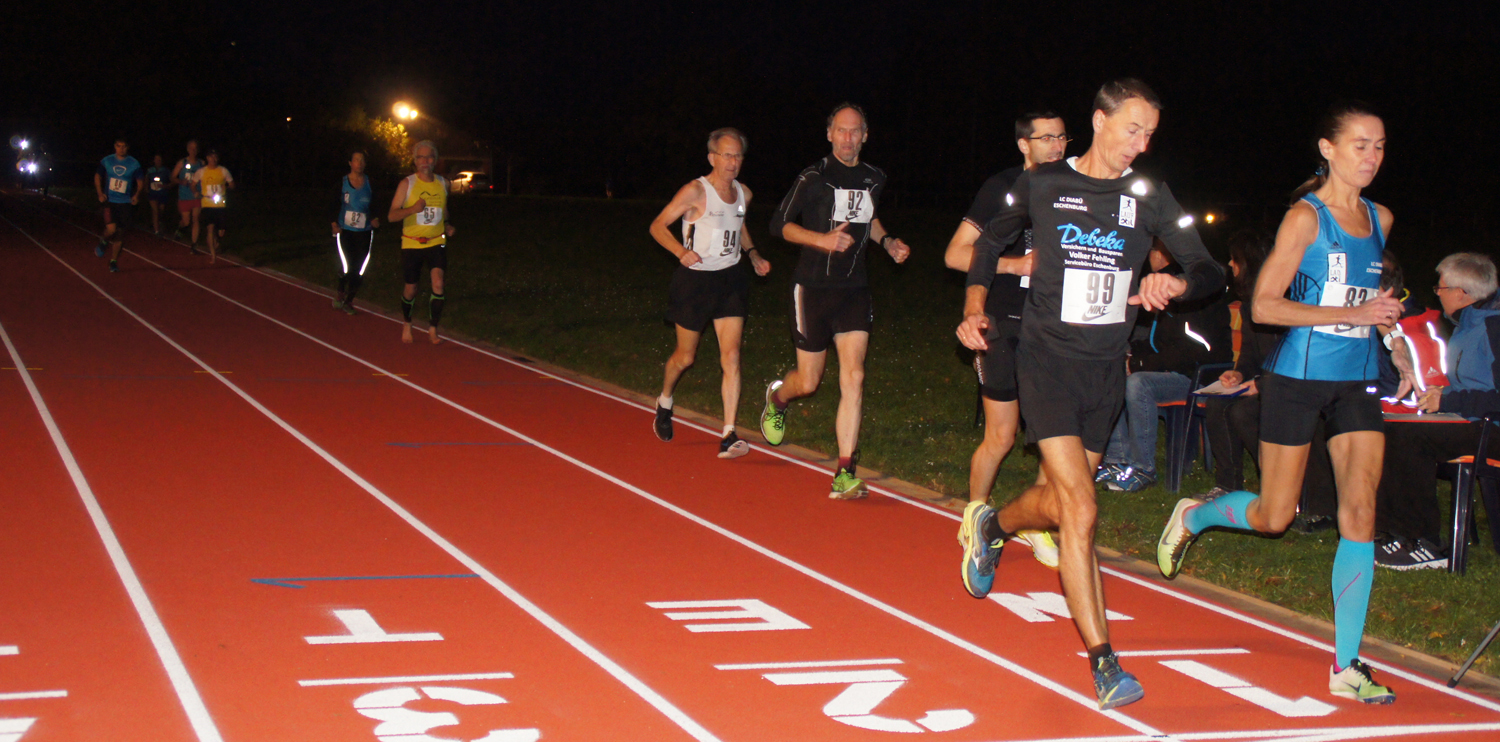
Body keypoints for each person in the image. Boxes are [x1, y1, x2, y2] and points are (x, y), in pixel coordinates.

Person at [956, 79, 1224, 709]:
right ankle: (1105, 664)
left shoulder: (1148, 193)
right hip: (1045, 362)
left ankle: (994, 525)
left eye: (1150, 134)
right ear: (1099, 120)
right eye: (1132, 129)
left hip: (1105, 373)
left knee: (1058, 503)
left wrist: (1176, 286)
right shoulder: (1044, 183)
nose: (1141, 144)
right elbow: (988, 243)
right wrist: (973, 307)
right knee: (1081, 509)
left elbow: (1208, 268)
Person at [1157, 101, 1411, 705]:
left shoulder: (1380, 217)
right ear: (1328, 149)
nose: (1372, 157)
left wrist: (1395, 343)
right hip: (1297, 378)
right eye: (1360, 145)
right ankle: (1195, 516)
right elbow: (1265, 305)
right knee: (1275, 516)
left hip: (1355, 382)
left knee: (1360, 512)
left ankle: (1347, 664)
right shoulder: (1305, 218)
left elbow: (1374, 300)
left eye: (1379, 146)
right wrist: (1352, 313)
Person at [760, 103, 911, 499]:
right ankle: (778, 398)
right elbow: (778, 224)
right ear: (829, 134)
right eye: (841, 131)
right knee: (808, 381)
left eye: (855, 131)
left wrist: (887, 241)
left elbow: (868, 219)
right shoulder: (813, 176)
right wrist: (820, 240)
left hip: (853, 289)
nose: (848, 138)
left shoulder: (875, 177)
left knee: (854, 376)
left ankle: (845, 472)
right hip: (811, 289)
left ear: (865, 135)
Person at [944, 110, 1070, 568]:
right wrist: (1016, 265)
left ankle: (1034, 522)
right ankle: (975, 515)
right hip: (1002, 323)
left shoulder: (1075, 189)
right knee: (1001, 435)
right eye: (1046, 138)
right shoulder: (1002, 187)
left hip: (1052, 328)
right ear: (1024, 144)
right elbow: (955, 255)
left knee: (1054, 436)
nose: (1057, 146)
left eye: (1062, 137)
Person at [648, 129, 771, 458]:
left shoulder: (744, 193)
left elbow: (739, 226)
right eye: (727, 155)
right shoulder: (695, 191)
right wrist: (680, 252)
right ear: (712, 158)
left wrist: (753, 255)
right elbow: (657, 225)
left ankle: (729, 433)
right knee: (685, 357)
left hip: (731, 280)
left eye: (738, 156)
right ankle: (665, 401)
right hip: (696, 282)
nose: (733, 162)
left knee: (731, 356)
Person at [1375, 253, 1500, 570]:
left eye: (1441, 288)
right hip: (1471, 421)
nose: (1437, 294)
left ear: (1463, 293)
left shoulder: (1493, 328)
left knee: (1410, 437)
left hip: (1492, 429)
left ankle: (1424, 543)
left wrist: (1448, 401)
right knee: (1388, 426)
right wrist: (1438, 394)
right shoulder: (1468, 325)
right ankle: (1391, 532)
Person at [1097, 242, 1232, 492]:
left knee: (1139, 383)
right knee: (1110, 371)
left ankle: (1143, 468)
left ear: (1159, 255)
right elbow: (1159, 344)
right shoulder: (1168, 295)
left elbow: (1195, 351)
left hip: (1201, 377)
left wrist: (1139, 364)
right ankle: (1117, 460)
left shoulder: (1197, 297)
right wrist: (1129, 356)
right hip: (1175, 371)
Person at [388, 140, 455, 344]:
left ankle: (433, 329)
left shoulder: (443, 183)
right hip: (412, 243)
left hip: (436, 241)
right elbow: (391, 216)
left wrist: (447, 224)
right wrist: (412, 210)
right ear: (415, 161)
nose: (425, 161)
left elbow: (443, 210)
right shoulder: (407, 184)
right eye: (421, 157)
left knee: (438, 283)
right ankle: (407, 322)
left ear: (435, 160)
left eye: (429, 157)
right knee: (411, 288)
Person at [331, 150, 381, 315]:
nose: (359, 163)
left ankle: (349, 300)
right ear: (350, 163)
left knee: (359, 268)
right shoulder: (342, 182)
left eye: (362, 160)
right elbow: (332, 202)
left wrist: (375, 218)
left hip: (364, 231)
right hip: (345, 230)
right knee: (347, 265)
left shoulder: (370, 183)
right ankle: (341, 290)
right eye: (356, 160)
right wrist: (333, 223)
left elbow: (376, 203)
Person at [93, 138, 144, 274]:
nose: (121, 149)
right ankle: (104, 241)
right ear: (115, 147)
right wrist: (100, 193)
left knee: (120, 233)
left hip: (125, 203)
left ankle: (113, 261)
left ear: (127, 148)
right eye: (118, 146)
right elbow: (97, 176)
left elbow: (140, 181)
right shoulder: (107, 161)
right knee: (111, 229)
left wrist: (137, 195)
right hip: (110, 201)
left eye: (124, 146)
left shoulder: (134, 163)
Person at [193, 150, 234, 264]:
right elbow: (193, 184)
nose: (213, 159)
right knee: (210, 228)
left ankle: (217, 241)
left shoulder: (223, 171)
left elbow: (232, 184)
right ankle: (213, 255)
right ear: (207, 158)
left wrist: (226, 188)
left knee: (221, 231)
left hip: (220, 204)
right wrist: (196, 192)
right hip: (207, 204)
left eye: (215, 157)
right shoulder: (201, 171)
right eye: (211, 157)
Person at [171, 140, 204, 250]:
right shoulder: (182, 163)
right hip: (184, 196)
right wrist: (181, 181)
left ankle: (194, 245)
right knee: (186, 221)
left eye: (195, 148)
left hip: (197, 195)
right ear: (188, 149)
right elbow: (172, 177)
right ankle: (180, 228)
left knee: (196, 219)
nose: (193, 151)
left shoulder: (201, 163)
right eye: (191, 148)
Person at [144, 154, 172, 235]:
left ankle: (158, 223)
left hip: (162, 193)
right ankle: (156, 230)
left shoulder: (166, 170)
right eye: (156, 159)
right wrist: (146, 189)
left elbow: (171, 181)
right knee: (155, 210)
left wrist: (165, 186)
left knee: (160, 210)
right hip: (152, 193)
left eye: (159, 159)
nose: (158, 161)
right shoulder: (150, 170)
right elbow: (146, 180)